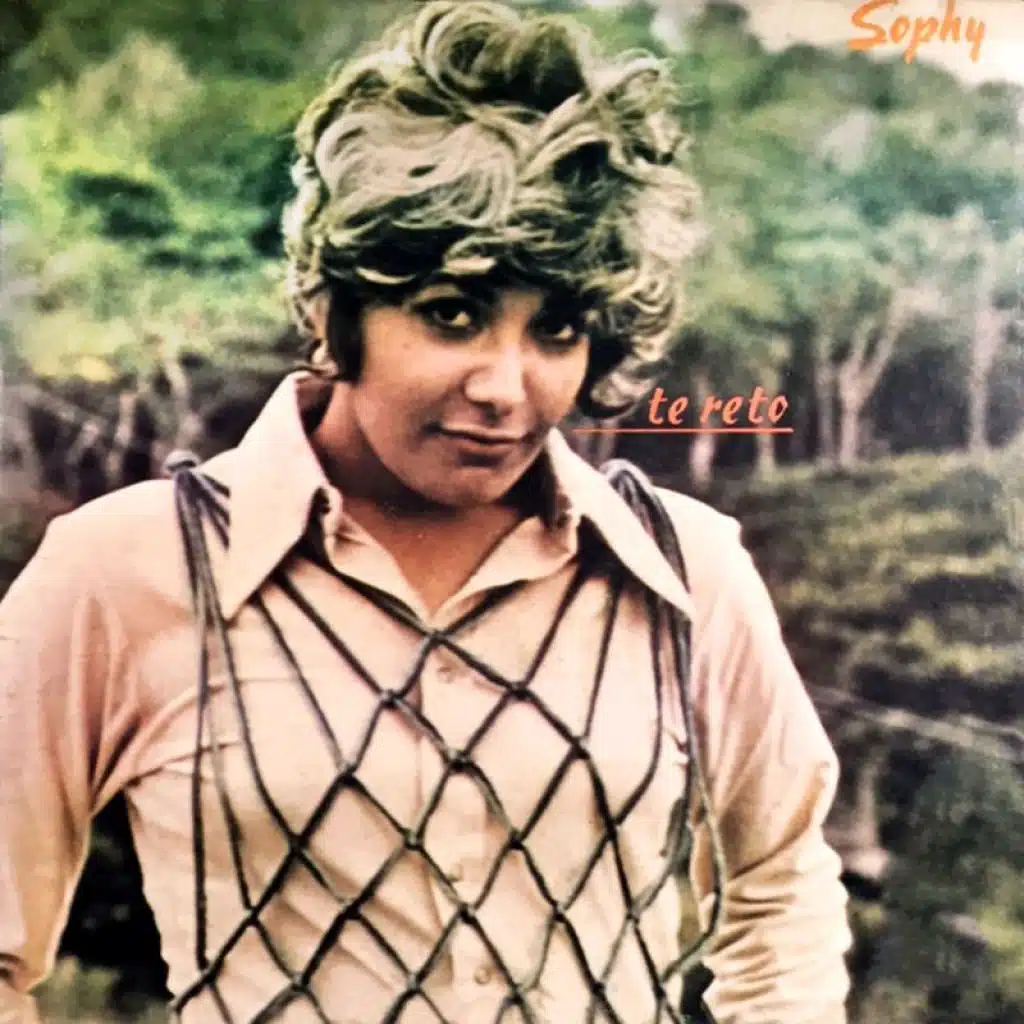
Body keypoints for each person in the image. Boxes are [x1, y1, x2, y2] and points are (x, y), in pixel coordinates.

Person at [0, 2, 852, 1022]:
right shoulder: (123, 570)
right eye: (452, 314)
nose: (504, 386)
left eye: (557, 330)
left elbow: (782, 886)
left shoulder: (685, 571)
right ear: (335, 310)